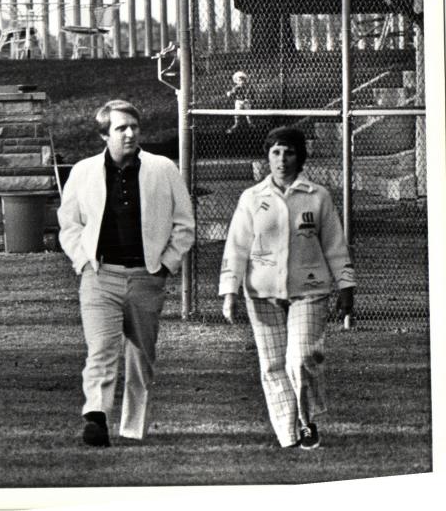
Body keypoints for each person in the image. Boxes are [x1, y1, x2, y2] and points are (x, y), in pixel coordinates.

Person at [58, 100, 194, 447]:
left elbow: (184, 225)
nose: (130, 133)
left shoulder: (162, 169)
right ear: (105, 134)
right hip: (100, 276)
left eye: (134, 126)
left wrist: (165, 265)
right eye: (121, 128)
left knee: (140, 356)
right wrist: (84, 261)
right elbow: (69, 224)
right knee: (101, 350)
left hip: (146, 278)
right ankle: (96, 417)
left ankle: (133, 426)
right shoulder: (84, 172)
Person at [218, 126, 356, 450]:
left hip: (309, 291)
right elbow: (236, 247)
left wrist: (346, 285)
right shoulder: (251, 198)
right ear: (268, 156)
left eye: (289, 152)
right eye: (276, 152)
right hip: (261, 295)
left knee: (302, 356)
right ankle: (288, 434)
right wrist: (229, 292)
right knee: (273, 365)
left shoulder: (317, 196)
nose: (282, 159)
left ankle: (308, 422)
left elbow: (335, 246)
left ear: (300, 156)